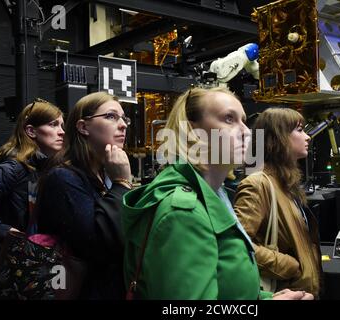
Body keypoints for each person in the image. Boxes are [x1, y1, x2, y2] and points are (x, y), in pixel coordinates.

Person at [122, 87, 313, 300]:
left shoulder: (214, 196)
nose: (246, 131)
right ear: (193, 132)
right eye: (229, 119)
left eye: (243, 120)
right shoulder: (183, 214)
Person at [36, 92, 132, 299]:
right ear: (83, 127)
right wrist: (122, 183)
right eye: (111, 116)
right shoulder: (63, 178)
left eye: (124, 118)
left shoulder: (100, 174)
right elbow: (98, 246)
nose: (123, 124)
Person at [234, 108, 323, 298]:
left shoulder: (285, 184)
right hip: (284, 293)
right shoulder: (257, 184)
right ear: (278, 138)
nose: (307, 137)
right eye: (299, 130)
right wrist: (289, 266)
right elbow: (237, 245)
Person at [0, 98, 64, 286]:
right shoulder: (13, 168)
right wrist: (4, 231)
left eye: (62, 125)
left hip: (32, 261)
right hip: (6, 263)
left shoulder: (44, 168)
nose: (61, 131)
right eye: (53, 124)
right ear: (31, 131)